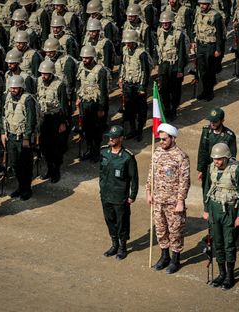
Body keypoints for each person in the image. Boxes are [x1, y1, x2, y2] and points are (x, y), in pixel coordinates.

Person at [146, 123, 190, 274]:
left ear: (172, 138)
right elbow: (151, 174)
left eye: (165, 139)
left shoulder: (181, 156)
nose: (161, 142)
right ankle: (164, 256)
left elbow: (185, 181)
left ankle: (175, 259)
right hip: (158, 200)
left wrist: (180, 201)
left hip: (173, 202)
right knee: (160, 229)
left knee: (175, 231)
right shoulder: (157, 152)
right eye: (160, 139)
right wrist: (148, 192)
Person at [203, 143, 239, 289]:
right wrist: (206, 209)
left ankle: (230, 275)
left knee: (229, 244)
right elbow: (206, 189)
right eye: (215, 159)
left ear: (227, 157)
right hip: (214, 210)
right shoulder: (211, 168)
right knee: (218, 243)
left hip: (229, 211)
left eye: (220, 159)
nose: (217, 162)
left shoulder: (236, 171)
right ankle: (221, 273)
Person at [100, 125, 139, 260]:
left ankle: (123, 246)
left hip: (120, 196)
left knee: (122, 222)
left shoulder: (127, 157)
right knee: (109, 220)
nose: (111, 139)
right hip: (106, 195)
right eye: (110, 136)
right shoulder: (104, 152)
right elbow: (101, 172)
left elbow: (134, 178)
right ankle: (114, 244)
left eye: (114, 137)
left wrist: (132, 195)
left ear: (121, 138)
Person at [1, 75, 37, 201]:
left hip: (23, 138)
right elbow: (3, 116)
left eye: (16, 88)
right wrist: (3, 133)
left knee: (25, 165)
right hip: (11, 136)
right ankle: (20, 186)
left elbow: (31, 120)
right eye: (11, 88)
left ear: (21, 87)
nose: (13, 90)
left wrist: (27, 137)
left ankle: (27, 188)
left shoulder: (28, 100)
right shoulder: (7, 97)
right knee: (14, 164)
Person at [76, 45, 109, 163]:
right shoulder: (80, 67)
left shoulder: (100, 71)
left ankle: (96, 152)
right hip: (84, 103)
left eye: (87, 58)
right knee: (86, 129)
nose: (84, 60)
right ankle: (89, 149)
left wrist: (101, 108)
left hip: (96, 104)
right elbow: (79, 83)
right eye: (83, 58)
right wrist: (78, 97)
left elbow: (104, 91)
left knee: (96, 130)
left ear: (93, 57)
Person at [37, 60, 68, 183]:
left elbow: (64, 106)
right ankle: (49, 169)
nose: (43, 76)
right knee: (44, 146)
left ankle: (56, 171)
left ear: (51, 73)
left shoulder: (59, 85)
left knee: (56, 147)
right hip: (43, 118)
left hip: (55, 118)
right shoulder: (39, 81)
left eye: (46, 74)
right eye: (42, 73)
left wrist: (62, 122)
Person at [118, 29, 151, 142]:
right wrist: (120, 78)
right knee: (129, 109)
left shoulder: (141, 53)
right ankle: (132, 129)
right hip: (128, 84)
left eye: (129, 42)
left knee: (141, 110)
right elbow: (123, 65)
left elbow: (146, 71)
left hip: (138, 85)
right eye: (126, 42)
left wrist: (143, 87)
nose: (127, 44)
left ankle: (140, 131)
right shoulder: (125, 50)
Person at [197, 108, 236, 195]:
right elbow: (202, 150)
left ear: (222, 121)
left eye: (215, 121)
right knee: (206, 190)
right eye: (211, 121)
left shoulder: (229, 135)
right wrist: (201, 169)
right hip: (207, 168)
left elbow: (232, 156)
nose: (212, 123)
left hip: (221, 168)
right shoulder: (206, 131)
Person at [156, 10, 187, 120]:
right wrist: (157, 64)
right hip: (163, 65)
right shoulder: (159, 32)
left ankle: (174, 108)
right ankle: (167, 109)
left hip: (175, 66)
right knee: (163, 89)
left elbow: (182, 53)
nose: (165, 24)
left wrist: (180, 70)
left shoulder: (178, 35)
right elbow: (157, 49)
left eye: (167, 22)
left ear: (171, 22)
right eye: (163, 22)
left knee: (175, 90)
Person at [192, 0, 223, 101]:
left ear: (209, 5)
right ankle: (204, 90)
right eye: (201, 4)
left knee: (210, 70)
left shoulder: (216, 16)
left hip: (210, 46)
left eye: (204, 4)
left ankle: (210, 92)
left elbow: (219, 34)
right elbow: (195, 28)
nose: (202, 6)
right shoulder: (198, 13)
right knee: (202, 70)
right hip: (200, 44)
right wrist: (193, 41)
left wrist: (218, 49)